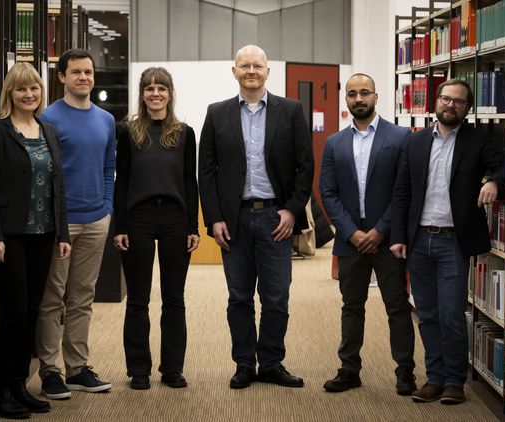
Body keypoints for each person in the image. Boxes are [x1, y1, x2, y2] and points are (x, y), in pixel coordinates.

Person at [198, 45, 314, 389]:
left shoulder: (291, 110)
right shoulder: (216, 113)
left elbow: (305, 165)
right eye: (244, 65)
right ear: (234, 71)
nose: (251, 70)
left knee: (277, 296)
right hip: (233, 221)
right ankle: (245, 363)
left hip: (275, 219)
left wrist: (292, 210)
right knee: (239, 297)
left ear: (267, 71)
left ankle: (273, 363)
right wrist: (214, 217)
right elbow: (206, 170)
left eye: (257, 65)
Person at [390, 79, 505, 404]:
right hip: (418, 241)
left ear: (467, 109)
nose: (449, 105)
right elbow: (402, 192)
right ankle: (434, 377)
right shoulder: (414, 143)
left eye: (458, 101)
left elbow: (501, 165)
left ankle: (455, 379)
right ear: (436, 102)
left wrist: (494, 182)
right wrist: (398, 236)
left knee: (452, 315)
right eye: (445, 98)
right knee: (427, 314)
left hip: (453, 242)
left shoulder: (478, 141)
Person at [0, 62, 71, 418]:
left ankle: (20, 385)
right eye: (21, 89)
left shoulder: (47, 130)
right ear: (9, 94)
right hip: (10, 237)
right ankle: (0, 391)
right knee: (13, 314)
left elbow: (57, 186)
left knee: (32, 312)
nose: (29, 94)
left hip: (43, 235)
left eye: (34, 88)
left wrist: (62, 232)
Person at [319, 73, 416, 394]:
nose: (358, 98)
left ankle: (405, 371)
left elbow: (404, 190)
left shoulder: (400, 137)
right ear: (345, 100)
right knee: (351, 306)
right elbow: (327, 193)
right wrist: (350, 232)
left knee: (397, 306)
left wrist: (379, 229)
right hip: (350, 241)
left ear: (376, 97)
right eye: (351, 94)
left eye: (364, 93)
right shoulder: (334, 142)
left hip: (388, 240)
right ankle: (349, 370)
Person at [35, 48, 116, 399]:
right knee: (53, 298)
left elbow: (108, 168)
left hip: (97, 219)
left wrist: (107, 209)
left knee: (83, 297)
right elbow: (45, 175)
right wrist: (57, 222)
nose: (84, 77)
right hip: (60, 226)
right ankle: (50, 370)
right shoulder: (47, 118)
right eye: (77, 72)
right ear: (62, 77)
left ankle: (78, 368)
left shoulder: (106, 120)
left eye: (89, 72)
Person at [112, 67, 200, 390]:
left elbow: (190, 182)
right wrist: (120, 225)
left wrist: (193, 225)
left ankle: (172, 367)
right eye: (149, 88)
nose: (155, 93)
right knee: (138, 299)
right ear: (142, 93)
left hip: (176, 219)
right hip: (138, 219)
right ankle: (138, 369)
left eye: (161, 87)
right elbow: (122, 182)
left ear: (170, 93)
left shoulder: (185, 133)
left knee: (174, 298)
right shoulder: (128, 132)